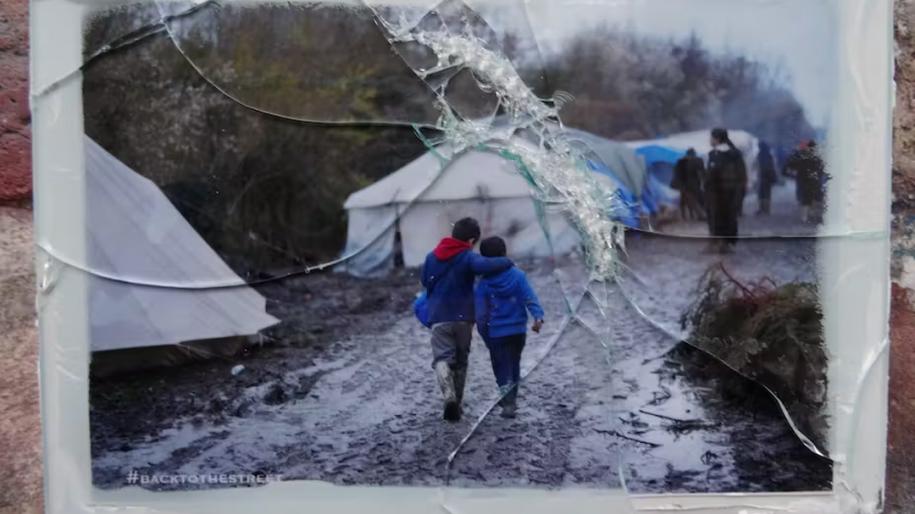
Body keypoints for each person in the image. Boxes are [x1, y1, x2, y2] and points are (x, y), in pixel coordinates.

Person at [421, 217, 514, 422]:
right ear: (471, 241)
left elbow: (424, 280)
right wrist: (507, 261)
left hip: (439, 317)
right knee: (461, 361)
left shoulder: (431, 257)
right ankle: (458, 404)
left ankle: (449, 397)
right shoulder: (467, 257)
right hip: (463, 318)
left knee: (442, 358)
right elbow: (487, 265)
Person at [474, 237, 544, 419]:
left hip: (496, 333)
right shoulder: (518, 275)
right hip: (518, 331)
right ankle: (511, 398)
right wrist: (538, 316)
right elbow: (530, 297)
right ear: (504, 253)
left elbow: (481, 315)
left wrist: (484, 334)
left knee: (500, 367)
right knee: (514, 364)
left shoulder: (483, 283)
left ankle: (508, 401)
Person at [705, 128, 747, 253]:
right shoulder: (714, 154)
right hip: (717, 192)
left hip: (726, 192)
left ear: (717, 139)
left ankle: (724, 243)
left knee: (725, 217)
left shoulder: (731, 154)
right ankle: (716, 242)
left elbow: (740, 175)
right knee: (717, 216)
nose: (710, 140)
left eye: (712, 137)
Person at [785, 140, 827, 223]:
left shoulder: (803, 156)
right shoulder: (817, 157)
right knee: (815, 199)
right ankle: (813, 215)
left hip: (805, 180)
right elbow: (821, 168)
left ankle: (805, 217)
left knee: (806, 200)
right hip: (814, 180)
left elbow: (794, 164)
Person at [672, 148, 706, 221]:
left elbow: (701, 173)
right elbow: (678, 174)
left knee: (687, 200)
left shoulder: (683, 161)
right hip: (686, 184)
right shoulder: (696, 160)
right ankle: (697, 215)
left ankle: (691, 215)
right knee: (689, 200)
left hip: (688, 184)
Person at [756, 141, 778, 215]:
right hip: (767, 177)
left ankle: (762, 209)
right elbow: (771, 166)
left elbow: (760, 166)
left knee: (761, 193)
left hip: (762, 177)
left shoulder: (759, 155)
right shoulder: (769, 155)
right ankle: (766, 210)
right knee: (767, 193)